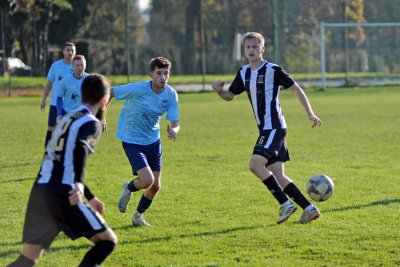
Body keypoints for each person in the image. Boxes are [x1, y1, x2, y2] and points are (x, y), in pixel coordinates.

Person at [211, 32, 322, 224]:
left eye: (255, 46)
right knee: (278, 175)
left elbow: (297, 89)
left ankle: (285, 204)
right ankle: (309, 208)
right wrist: (220, 91)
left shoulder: (273, 69)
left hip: (274, 127)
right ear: (244, 49)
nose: (252, 50)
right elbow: (230, 96)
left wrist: (310, 113)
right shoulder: (244, 72)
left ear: (263, 49)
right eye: (248, 47)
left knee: (255, 165)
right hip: (266, 129)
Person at [8, 74, 117, 267]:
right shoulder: (90, 122)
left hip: (41, 191)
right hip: (63, 195)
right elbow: (80, 150)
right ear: (103, 99)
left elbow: (62, 162)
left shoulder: (68, 118)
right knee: (107, 241)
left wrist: (90, 197)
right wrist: (79, 185)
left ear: (82, 94)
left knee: (27, 259)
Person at [103, 57, 180, 227]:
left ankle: (137, 216)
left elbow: (175, 122)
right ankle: (128, 188)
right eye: (159, 73)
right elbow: (110, 92)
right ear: (151, 74)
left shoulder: (171, 94)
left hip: (153, 141)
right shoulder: (138, 88)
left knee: (155, 186)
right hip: (132, 140)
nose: (163, 77)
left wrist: (175, 130)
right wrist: (102, 116)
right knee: (146, 181)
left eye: (166, 73)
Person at [40, 42, 76, 147]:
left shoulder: (77, 66)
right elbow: (49, 83)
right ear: (63, 51)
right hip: (55, 103)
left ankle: (65, 151)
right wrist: (44, 100)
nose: (70, 52)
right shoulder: (56, 66)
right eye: (68, 49)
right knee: (51, 127)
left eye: (72, 50)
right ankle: (47, 150)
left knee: (68, 129)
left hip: (70, 105)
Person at [56, 55, 89, 121]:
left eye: (82, 65)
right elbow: (59, 97)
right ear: (72, 66)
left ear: (85, 66)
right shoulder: (65, 80)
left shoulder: (90, 79)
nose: (80, 67)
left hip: (85, 114)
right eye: (77, 65)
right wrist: (59, 114)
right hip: (68, 114)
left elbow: (96, 98)